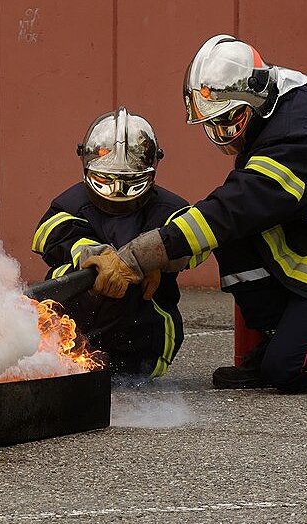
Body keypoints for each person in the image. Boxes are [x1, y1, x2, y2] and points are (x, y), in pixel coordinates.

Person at [85, 35, 307, 392]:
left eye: (229, 121)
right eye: (212, 125)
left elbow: (227, 212)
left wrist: (137, 258)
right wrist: (167, 259)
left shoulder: (298, 143)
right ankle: (279, 338)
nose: (222, 135)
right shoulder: (298, 90)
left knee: (289, 370)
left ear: (254, 99)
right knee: (233, 238)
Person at [32, 107, 202, 378]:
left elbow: (195, 247)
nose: (117, 191)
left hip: (145, 339)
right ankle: (66, 354)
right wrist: (93, 256)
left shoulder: (171, 209)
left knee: (133, 286)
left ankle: (131, 369)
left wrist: (153, 261)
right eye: (105, 180)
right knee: (63, 275)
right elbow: (47, 235)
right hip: (80, 326)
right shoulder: (70, 203)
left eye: (130, 181)